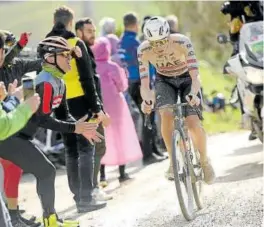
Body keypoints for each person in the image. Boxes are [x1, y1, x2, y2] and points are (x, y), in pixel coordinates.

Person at [0, 36, 101, 227]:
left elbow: (64, 114)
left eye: (70, 55)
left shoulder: (59, 82)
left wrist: (81, 129)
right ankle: (49, 220)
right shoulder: (44, 82)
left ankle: (47, 219)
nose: (69, 59)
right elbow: (42, 119)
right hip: (10, 136)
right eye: (65, 55)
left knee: (45, 171)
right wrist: (75, 128)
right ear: (49, 58)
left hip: (18, 135)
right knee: (46, 171)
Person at [46, 6, 109, 212]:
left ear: (54, 21)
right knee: (86, 148)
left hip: (59, 102)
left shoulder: (46, 46)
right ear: (71, 23)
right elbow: (87, 80)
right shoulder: (75, 43)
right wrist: (97, 108)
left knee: (71, 149)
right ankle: (86, 197)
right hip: (81, 101)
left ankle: (77, 196)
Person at [138, 16, 215, 184]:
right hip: (164, 80)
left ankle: (204, 161)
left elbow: (195, 77)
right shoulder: (143, 50)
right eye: (153, 43)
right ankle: (173, 163)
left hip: (187, 78)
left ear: (168, 35)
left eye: (162, 41)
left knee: (193, 122)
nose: (158, 47)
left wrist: (194, 94)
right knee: (165, 114)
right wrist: (147, 101)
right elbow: (145, 85)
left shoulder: (182, 42)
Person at [92, 37, 142, 182]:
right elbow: (122, 86)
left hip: (99, 106)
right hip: (116, 106)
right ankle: (122, 174)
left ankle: (101, 176)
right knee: (120, 137)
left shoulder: (92, 67)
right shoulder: (113, 67)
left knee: (101, 138)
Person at [120, 12, 166, 164]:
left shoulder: (121, 42)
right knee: (148, 116)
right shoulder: (135, 42)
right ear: (135, 24)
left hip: (130, 82)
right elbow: (145, 62)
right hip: (140, 82)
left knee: (147, 115)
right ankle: (148, 154)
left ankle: (154, 150)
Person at [75, 17, 112, 201]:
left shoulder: (87, 51)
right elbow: (86, 85)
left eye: (94, 31)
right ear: (79, 32)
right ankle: (91, 189)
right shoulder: (79, 53)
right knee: (95, 148)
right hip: (88, 111)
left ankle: (92, 188)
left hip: (93, 109)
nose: (93, 34)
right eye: (89, 31)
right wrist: (97, 111)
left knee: (97, 148)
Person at [220, 0, 263, 140]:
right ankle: (248, 118)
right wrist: (228, 7)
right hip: (242, 46)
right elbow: (234, 34)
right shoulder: (233, 7)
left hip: (260, 44)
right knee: (240, 75)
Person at [0, 80, 40, 227]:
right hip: (7, 138)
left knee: (14, 172)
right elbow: (3, 125)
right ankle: (13, 218)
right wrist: (15, 100)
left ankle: (14, 216)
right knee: (12, 171)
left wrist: (10, 98)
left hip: (10, 135)